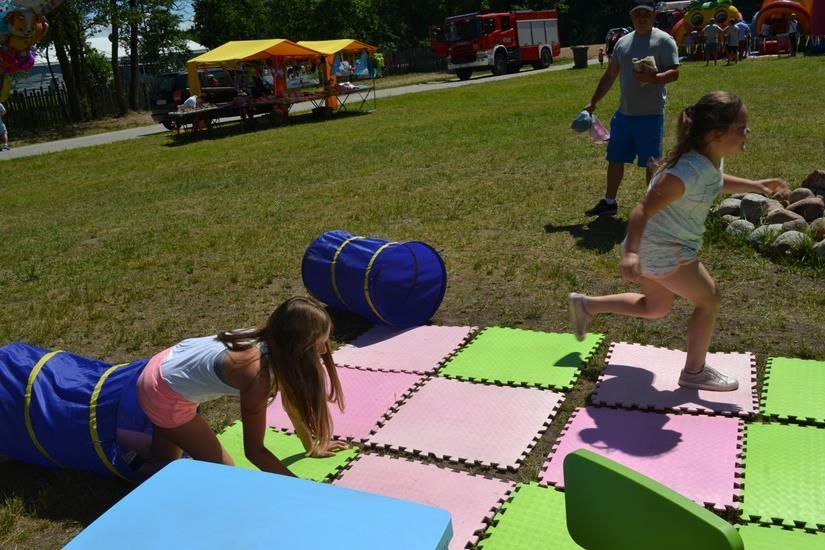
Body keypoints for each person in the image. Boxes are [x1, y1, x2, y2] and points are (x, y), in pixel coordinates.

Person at [569, 91, 789, 391]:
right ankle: (694, 372)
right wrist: (631, 253)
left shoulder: (708, 158)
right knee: (709, 299)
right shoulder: (685, 172)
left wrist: (756, 185)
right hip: (663, 250)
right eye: (741, 127)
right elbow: (642, 209)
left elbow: (714, 181)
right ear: (715, 134)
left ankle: (586, 306)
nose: (747, 132)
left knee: (655, 308)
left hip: (659, 246)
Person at [135, 296, 347, 476]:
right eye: (319, 344)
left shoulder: (274, 339)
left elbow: (291, 402)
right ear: (298, 347)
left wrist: (312, 446)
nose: (321, 352)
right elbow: (254, 451)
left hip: (168, 362)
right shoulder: (257, 376)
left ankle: (149, 457)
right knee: (226, 473)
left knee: (163, 461)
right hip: (163, 391)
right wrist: (297, 486)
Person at [583, 0, 680, 218]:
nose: (642, 18)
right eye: (638, 14)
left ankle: (651, 208)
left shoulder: (664, 40)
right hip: (624, 114)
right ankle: (609, 202)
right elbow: (610, 75)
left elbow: (674, 72)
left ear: (654, 16)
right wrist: (593, 101)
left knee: (651, 163)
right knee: (615, 158)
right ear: (631, 16)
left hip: (651, 115)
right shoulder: (622, 43)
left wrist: (653, 78)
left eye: (647, 14)